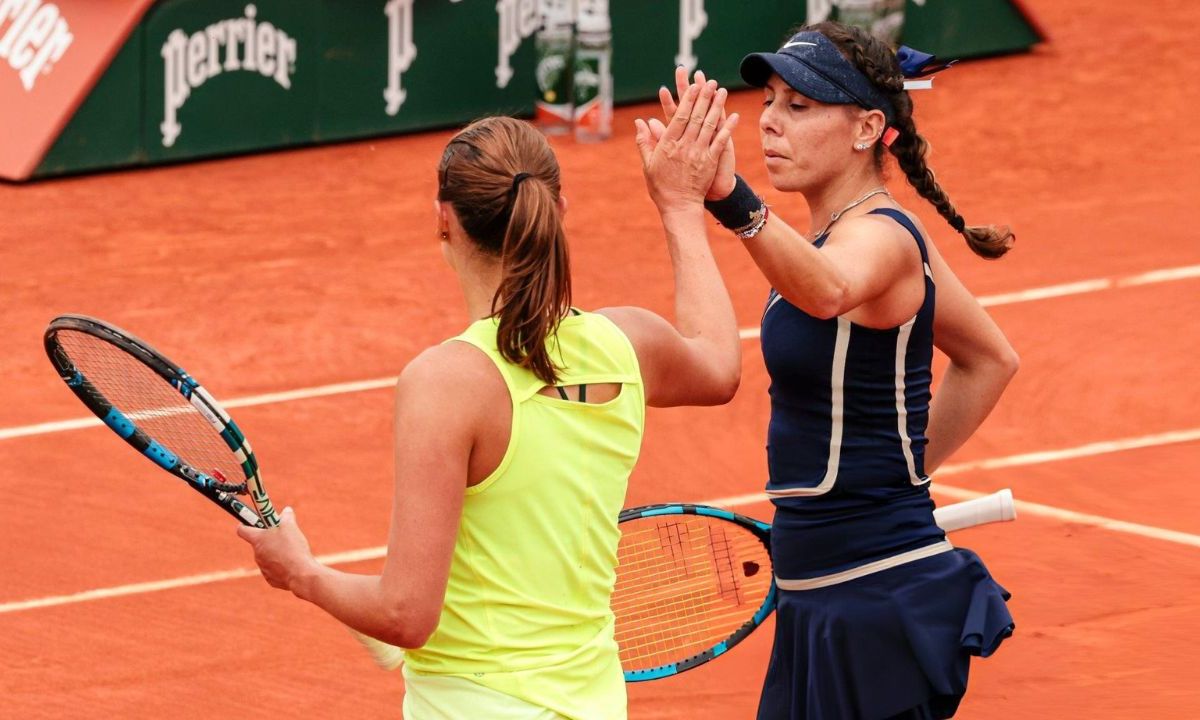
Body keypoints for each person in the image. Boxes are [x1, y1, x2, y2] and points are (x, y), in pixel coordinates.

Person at [236, 99, 742, 719]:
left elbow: (405, 614)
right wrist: (684, 208)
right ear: (558, 211)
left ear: (443, 220)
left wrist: (301, 574)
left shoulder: (447, 383)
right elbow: (719, 366)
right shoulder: (627, 344)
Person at [651, 21, 1019, 720]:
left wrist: (730, 198)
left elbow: (827, 290)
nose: (769, 124)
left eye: (800, 106)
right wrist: (900, 479)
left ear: (865, 128)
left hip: (874, 602)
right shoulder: (840, 235)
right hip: (821, 594)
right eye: (768, 101)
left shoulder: (881, 237)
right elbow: (990, 358)